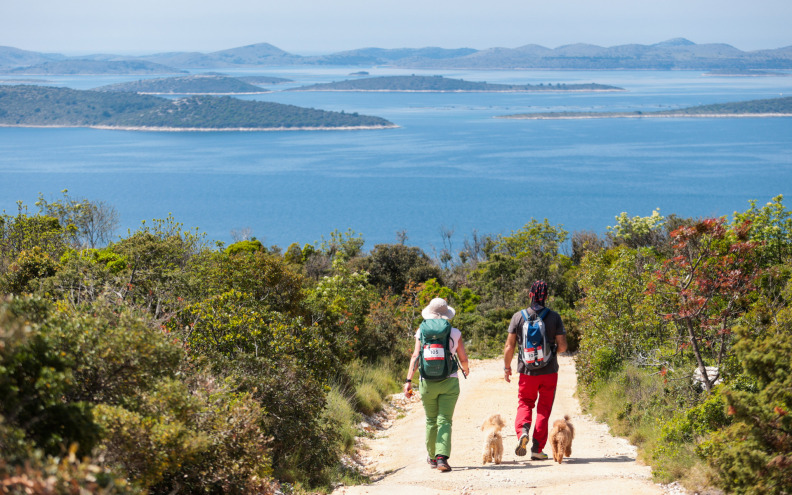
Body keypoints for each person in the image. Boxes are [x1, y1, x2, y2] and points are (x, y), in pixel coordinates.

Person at [403, 297, 470, 472]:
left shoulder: (421, 331)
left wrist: (408, 380)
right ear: (446, 313)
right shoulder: (455, 332)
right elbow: (463, 358)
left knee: (431, 420)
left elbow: (415, 356)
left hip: (427, 382)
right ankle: (442, 458)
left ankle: (432, 458)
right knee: (445, 420)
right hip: (449, 380)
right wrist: (466, 369)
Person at [503, 280, 568, 460]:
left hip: (527, 371)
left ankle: (523, 432)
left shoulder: (518, 317)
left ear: (530, 294)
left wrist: (507, 368)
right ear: (546, 296)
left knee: (525, 403)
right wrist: (550, 351)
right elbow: (562, 347)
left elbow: (509, 346)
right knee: (543, 409)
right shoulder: (554, 317)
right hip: (549, 372)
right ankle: (537, 450)